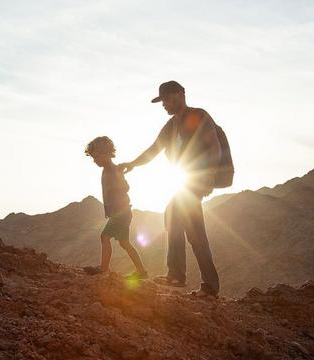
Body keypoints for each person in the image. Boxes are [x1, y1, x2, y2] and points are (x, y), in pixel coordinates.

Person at [120, 80, 221, 297]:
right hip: (186, 180)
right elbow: (154, 149)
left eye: (167, 98)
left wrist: (210, 175)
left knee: (175, 214)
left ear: (181, 94)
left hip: (199, 178)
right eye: (162, 101)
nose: (164, 104)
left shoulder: (198, 116)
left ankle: (178, 275)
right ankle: (202, 283)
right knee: (192, 231)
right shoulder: (171, 126)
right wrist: (133, 164)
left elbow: (214, 146)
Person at [83, 136, 149, 281]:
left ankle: (104, 268)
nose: (95, 160)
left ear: (107, 153)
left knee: (104, 236)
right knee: (124, 243)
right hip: (120, 213)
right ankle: (141, 271)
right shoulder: (107, 170)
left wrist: (118, 183)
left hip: (121, 212)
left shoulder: (114, 169)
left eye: (97, 156)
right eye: (93, 158)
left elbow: (126, 187)